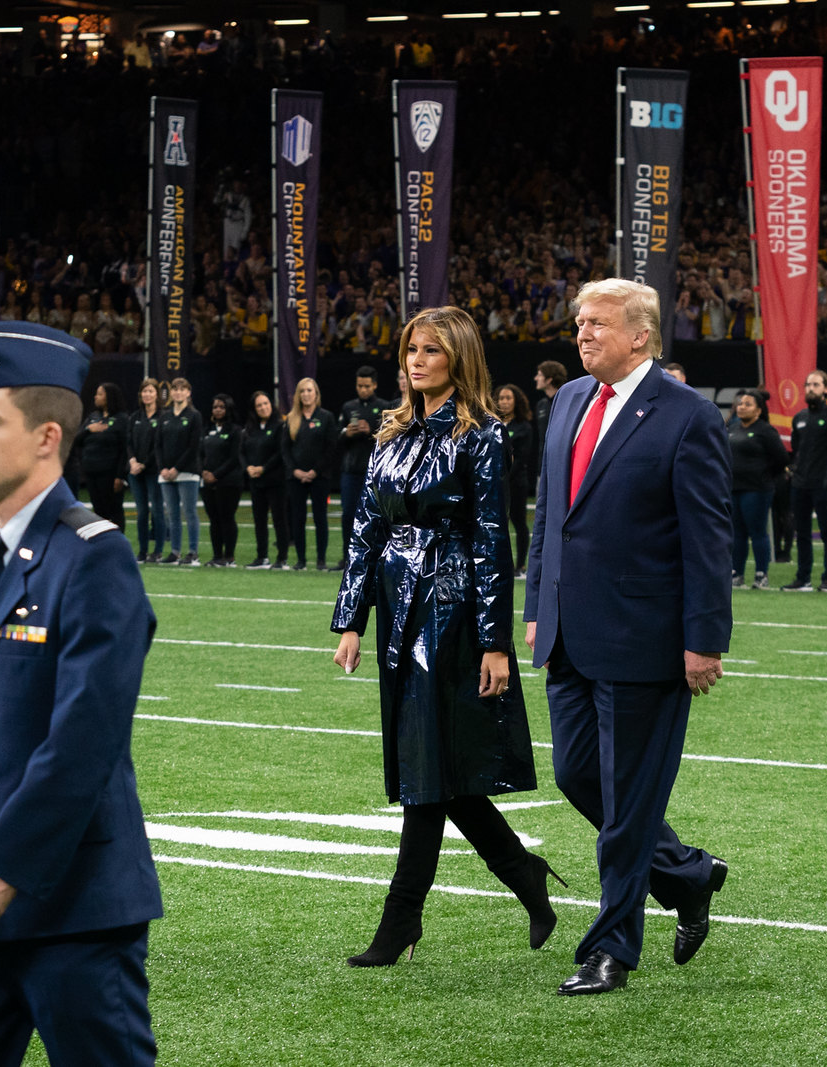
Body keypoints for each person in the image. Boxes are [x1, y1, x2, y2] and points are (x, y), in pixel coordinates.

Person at [0, 320, 161, 1066]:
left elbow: (86, 735)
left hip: (74, 904)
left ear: (47, 437)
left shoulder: (95, 558)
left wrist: (8, 864)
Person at [331, 306, 561, 968]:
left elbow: (494, 538)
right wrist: (351, 617)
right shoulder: (390, 434)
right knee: (442, 769)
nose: (416, 360)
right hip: (399, 602)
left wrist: (494, 641)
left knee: (430, 767)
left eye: (431, 350)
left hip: (452, 607)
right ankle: (524, 874)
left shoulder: (482, 436)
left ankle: (401, 917)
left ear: (457, 358)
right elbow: (366, 529)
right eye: (411, 349)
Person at [524, 278, 731, 997]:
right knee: (581, 775)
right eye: (579, 323)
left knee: (625, 802)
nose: (582, 335)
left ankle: (611, 947)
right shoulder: (570, 400)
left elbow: (708, 538)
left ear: (640, 334)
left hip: (647, 639)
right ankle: (687, 873)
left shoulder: (687, 416)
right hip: (569, 632)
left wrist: (704, 637)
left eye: (597, 324)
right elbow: (552, 515)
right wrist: (535, 604)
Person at [782, 369, 827, 592]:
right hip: (800, 484)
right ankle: (803, 578)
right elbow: (796, 449)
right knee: (801, 532)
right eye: (808, 385)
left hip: (823, 483)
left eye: (816, 385)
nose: (811, 388)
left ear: (826, 389)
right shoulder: (800, 418)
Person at [728, 388, 788, 589]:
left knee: (757, 532)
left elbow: (781, 458)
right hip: (734, 487)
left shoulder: (765, 430)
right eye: (740, 403)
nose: (742, 407)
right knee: (737, 533)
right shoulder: (733, 428)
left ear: (759, 410)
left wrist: (764, 473)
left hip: (757, 489)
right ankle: (736, 572)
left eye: (747, 404)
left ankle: (761, 574)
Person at [283, 377, 338, 571]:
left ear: (316, 394)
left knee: (319, 517)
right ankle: (301, 560)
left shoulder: (326, 417)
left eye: (309, 390)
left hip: (319, 477)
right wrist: (295, 471)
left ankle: (321, 560)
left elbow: (331, 448)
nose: (306, 394)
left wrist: (315, 471)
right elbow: (285, 449)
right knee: (297, 518)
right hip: (295, 478)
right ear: (298, 395)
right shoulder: (290, 418)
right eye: (302, 391)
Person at [337, 365, 388, 570]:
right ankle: (347, 556)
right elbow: (337, 439)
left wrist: (372, 431)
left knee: (378, 516)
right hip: (351, 470)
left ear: (374, 385)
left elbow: (390, 438)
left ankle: (378, 557)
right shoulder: (349, 407)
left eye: (367, 386)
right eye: (360, 386)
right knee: (348, 514)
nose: (363, 389)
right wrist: (346, 433)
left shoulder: (386, 407)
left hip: (376, 473)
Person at [155, 377, 204, 566]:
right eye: (175, 389)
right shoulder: (165, 416)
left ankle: (193, 552)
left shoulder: (194, 416)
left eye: (182, 389)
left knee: (189, 512)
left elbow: (193, 447)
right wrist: (163, 469)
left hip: (187, 472)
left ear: (188, 393)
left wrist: (177, 468)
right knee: (172, 514)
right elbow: (157, 445)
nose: (178, 392)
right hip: (166, 473)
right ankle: (175, 551)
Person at [242, 390, 290, 570]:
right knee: (259, 519)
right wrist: (248, 467)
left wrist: (263, 468)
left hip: (275, 480)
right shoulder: (250, 428)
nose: (263, 408)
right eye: (259, 405)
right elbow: (242, 451)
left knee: (279, 519)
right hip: (256, 482)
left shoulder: (280, 426)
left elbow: (280, 452)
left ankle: (282, 558)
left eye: (266, 404)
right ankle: (262, 556)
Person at [72, 382, 128, 531]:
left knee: (114, 510)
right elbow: (77, 440)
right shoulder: (92, 417)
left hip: (110, 473)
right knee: (98, 512)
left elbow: (125, 448)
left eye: (100, 394)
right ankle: (103, 546)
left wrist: (120, 476)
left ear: (109, 397)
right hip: (91, 471)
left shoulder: (121, 419)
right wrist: (89, 430)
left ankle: (118, 545)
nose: (96, 397)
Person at [200, 394, 244, 566]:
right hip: (207, 482)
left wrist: (216, 474)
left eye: (221, 407)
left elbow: (234, 458)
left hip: (229, 482)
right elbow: (200, 453)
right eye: (215, 407)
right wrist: (203, 471)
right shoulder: (207, 429)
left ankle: (229, 556)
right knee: (214, 519)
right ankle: (217, 555)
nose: (217, 410)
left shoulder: (235, 430)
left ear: (228, 409)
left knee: (227, 517)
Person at [495, 383, 535, 572]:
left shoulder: (524, 427)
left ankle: (520, 565)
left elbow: (520, 458)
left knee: (519, 523)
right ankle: (499, 563)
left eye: (508, 398)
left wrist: (503, 476)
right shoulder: (493, 424)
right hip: (494, 484)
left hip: (515, 483)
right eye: (501, 398)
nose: (504, 402)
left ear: (516, 401)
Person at [127, 379, 165, 563]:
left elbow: (159, 445)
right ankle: (142, 551)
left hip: (154, 470)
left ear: (157, 394)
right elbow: (128, 443)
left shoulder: (163, 417)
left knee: (157, 510)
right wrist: (133, 461)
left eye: (150, 391)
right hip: (135, 471)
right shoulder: (135, 417)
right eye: (144, 391)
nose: (147, 395)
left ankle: (157, 550)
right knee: (142, 512)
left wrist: (145, 463)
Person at [532, 359, 567, 483]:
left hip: (564, 468)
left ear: (549, 379)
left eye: (540, 375)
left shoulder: (568, 402)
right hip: (543, 467)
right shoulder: (541, 405)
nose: (536, 378)